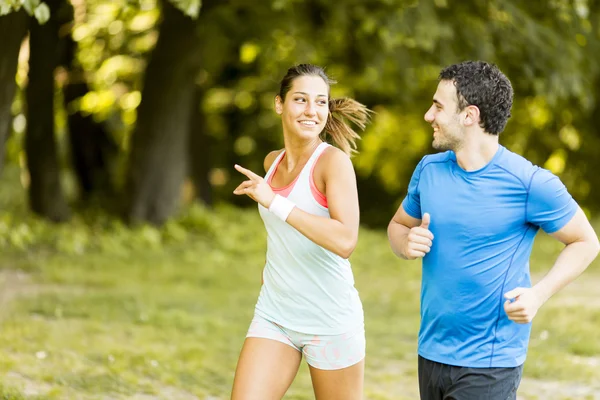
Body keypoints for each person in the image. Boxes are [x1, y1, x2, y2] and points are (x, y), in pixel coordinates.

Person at [387, 60, 600, 400]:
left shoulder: (530, 183)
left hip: (490, 361)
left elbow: (586, 242)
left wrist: (538, 294)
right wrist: (406, 243)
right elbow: (398, 226)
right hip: (431, 351)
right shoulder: (429, 170)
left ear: (469, 115)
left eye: (438, 107)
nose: (429, 116)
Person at [230, 64, 372, 400]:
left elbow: (345, 240)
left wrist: (274, 201)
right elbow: (284, 233)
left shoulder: (333, 163)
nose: (312, 110)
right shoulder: (271, 163)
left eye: (321, 102)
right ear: (279, 104)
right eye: (301, 100)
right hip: (276, 313)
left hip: (329, 320)